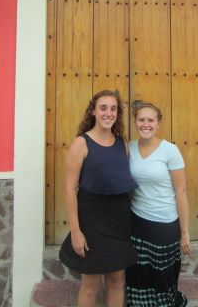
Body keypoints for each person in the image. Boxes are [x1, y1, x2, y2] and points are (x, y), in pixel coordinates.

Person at [59, 90, 138, 307]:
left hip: (119, 219)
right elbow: (69, 189)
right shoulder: (81, 144)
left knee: (116, 279)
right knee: (91, 283)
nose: (108, 113)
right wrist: (76, 232)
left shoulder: (122, 143)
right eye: (103, 108)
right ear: (93, 111)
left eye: (113, 109)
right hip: (92, 220)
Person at [126, 100, 191, 307]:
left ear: (158, 123)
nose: (146, 124)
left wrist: (185, 232)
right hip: (137, 223)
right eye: (141, 120)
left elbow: (181, 192)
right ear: (135, 122)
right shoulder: (129, 148)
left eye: (150, 120)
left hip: (164, 224)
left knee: (162, 278)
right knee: (138, 275)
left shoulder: (170, 151)